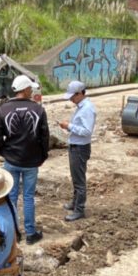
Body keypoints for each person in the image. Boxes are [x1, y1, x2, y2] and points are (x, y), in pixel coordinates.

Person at [0, 74, 50, 245]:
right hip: (31, 162)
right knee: (28, 197)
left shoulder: (2, 110)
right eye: (30, 88)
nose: (32, 91)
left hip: (11, 160)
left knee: (10, 197)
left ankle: (14, 233)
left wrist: (2, 151)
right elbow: (44, 136)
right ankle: (31, 234)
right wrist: (42, 156)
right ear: (25, 90)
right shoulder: (38, 110)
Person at [58, 80, 96, 221]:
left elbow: (87, 131)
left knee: (79, 180)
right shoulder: (81, 107)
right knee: (75, 177)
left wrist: (69, 126)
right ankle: (75, 203)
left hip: (80, 148)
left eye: (73, 97)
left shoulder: (87, 109)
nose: (71, 100)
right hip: (76, 146)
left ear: (80, 93)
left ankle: (79, 209)